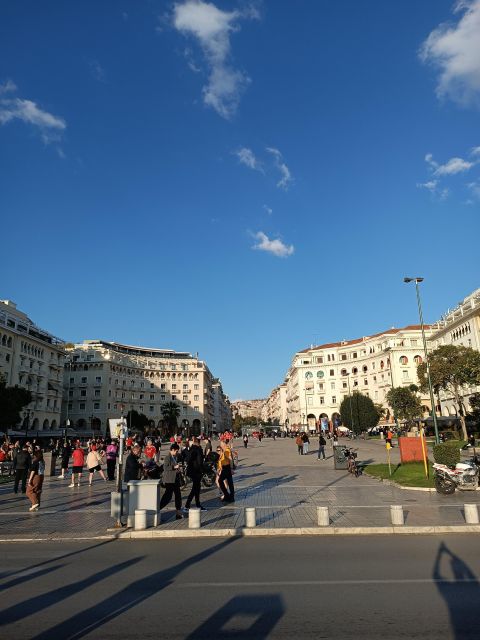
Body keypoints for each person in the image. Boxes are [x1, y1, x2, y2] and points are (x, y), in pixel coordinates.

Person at [159, 443, 183, 519]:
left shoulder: (175, 457)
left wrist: (178, 469)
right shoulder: (167, 457)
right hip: (169, 480)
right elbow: (165, 467)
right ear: (172, 450)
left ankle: (178, 513)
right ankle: (158, 508)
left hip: (175, 479)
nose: (177, 452)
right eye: (176, 451)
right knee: (168, 496)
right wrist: (174, 467)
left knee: (178, 495)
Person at [184, 437, 207, 512]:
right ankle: (187, 505)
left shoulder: (191, 449)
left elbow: (188, 459)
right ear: (199, 443)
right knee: (195, 488)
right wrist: (202, 470)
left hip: (192, 471)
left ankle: (197, 504)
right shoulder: (198, 449)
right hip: (197, 471)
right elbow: (200, 462)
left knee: (197, 488)